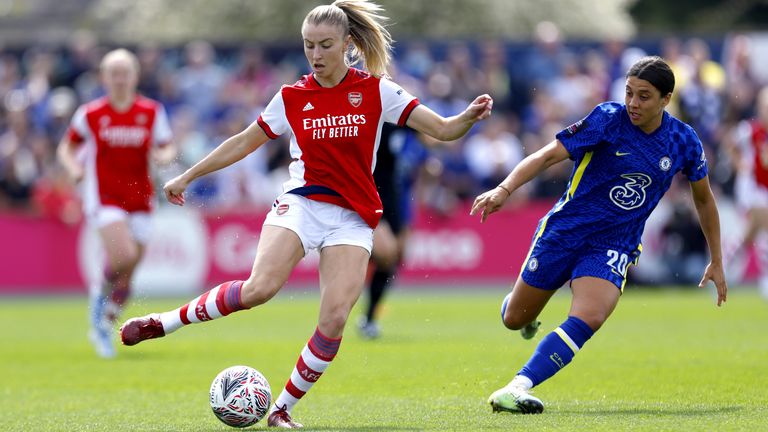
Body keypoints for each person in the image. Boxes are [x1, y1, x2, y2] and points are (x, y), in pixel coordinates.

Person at [118, 0, 492, 428]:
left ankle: (281, 410)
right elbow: (243, 141)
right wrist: (188, 176)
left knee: (333, 319)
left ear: (347, 44)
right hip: (302, 203)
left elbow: (442, 129)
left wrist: (467, 117)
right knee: (259, 289)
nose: (315, 55)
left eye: (325, 45)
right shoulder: (293, 96)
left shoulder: (377, 90)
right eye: (308, 45)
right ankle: (162, 323)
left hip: (352, 216)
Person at [470, 56, 727, 414]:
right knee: (515, 317)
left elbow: (704, 199)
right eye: (629, 93)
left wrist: (716, 257)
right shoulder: (607, 119)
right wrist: (504, 189)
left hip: (614, 244)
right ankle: (523, 315)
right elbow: (547, 156)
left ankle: (517, 386)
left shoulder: (684, 141)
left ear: (666, 99)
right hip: (565, 231)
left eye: (644, 96)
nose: (633, 103)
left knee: (591, 315)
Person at [57, 48, 175, 358]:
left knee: (129, 271)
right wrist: (73, 168)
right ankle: (99, 296)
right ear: (104, 77)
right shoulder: (91, 114)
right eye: (114, 73)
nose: (120, 79)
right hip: (105, 196)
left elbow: (166, 145)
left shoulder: (151, 112)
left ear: (135, 76)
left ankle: (105, 322)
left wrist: (164, 156)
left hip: (141, 198)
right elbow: (67, 148)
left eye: (125, 73)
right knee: (122, 256)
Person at [725, 85, 768, 298]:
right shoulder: (749, 130)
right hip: (751, 190)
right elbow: (730, 143)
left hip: (765, 190)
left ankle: (722, 264)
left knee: (750, 236)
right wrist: (739, 163)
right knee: (760, 227)